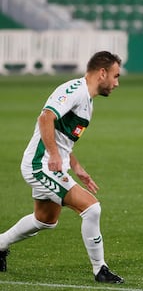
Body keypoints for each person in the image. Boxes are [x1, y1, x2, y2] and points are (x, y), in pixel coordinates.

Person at [0, 51, 124, 283]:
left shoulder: (87, 101)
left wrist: (76, 167)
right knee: (92, 208)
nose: (116, 83)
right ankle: (100, 270)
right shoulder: (74, 91)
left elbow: (62, 138)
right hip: (40, 165)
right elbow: (46, 118)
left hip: (52, 165)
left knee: (45, 220)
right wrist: (55, 156)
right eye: (115, 76)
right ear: (102, 73)